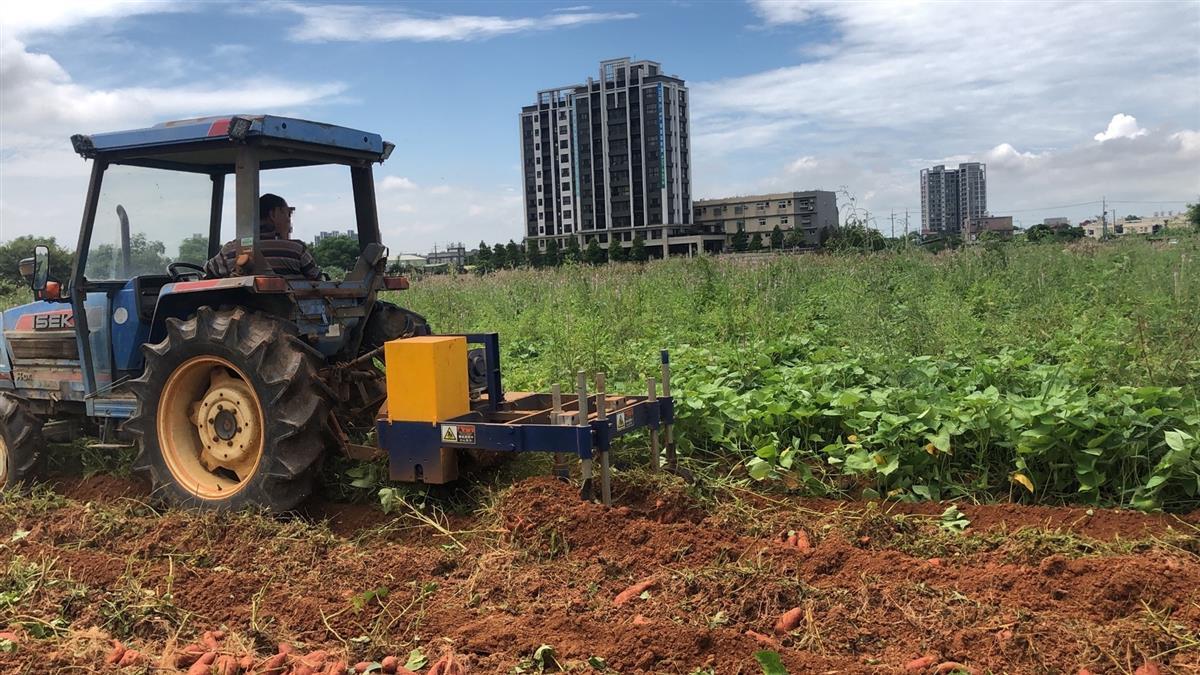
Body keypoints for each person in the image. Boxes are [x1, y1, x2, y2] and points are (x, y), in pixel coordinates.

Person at [204, 193, 322, 280]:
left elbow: (209, 273)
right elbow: (316, 280)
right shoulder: (296, 249)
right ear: (274, 214)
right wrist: (285, 237)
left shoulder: (229, 250)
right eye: (288, 214)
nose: (289, 221)